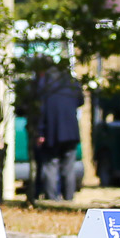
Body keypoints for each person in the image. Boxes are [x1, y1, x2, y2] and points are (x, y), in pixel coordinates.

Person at [32, 63, 86, 201]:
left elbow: (41, 112)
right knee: (68, 168)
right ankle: (68, 198)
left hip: (51, 133)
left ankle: (52, 199)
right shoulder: (72, 84)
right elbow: (81, 101)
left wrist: (40, 133)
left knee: (51, 166)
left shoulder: (45, 86)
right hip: (71, 132)